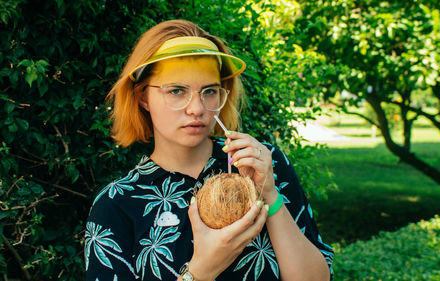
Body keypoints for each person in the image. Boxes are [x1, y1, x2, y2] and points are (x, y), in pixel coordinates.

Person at [85, 19, 334, 281]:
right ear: (143, 97)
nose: (197, 109)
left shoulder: (262, 163)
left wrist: (270, 195)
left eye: (209, 91)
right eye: (177, 91)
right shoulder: (116, 204)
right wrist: (202, 271)